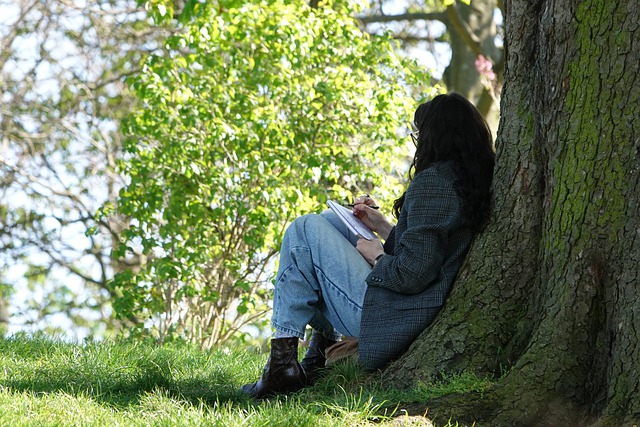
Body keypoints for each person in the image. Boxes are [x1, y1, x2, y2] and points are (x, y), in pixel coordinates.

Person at [240, 92, 495, 399]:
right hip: (401, 307)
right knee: (329, 221)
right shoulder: (461, 180)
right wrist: (382, 227)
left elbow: (413, 273)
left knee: (303, 230)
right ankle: (315, 357)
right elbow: (427, 245)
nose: (417, 142)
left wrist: (376, 255)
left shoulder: (436, 183)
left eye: (420, 133)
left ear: (437, 137)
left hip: (392, 318)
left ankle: (282, 366)